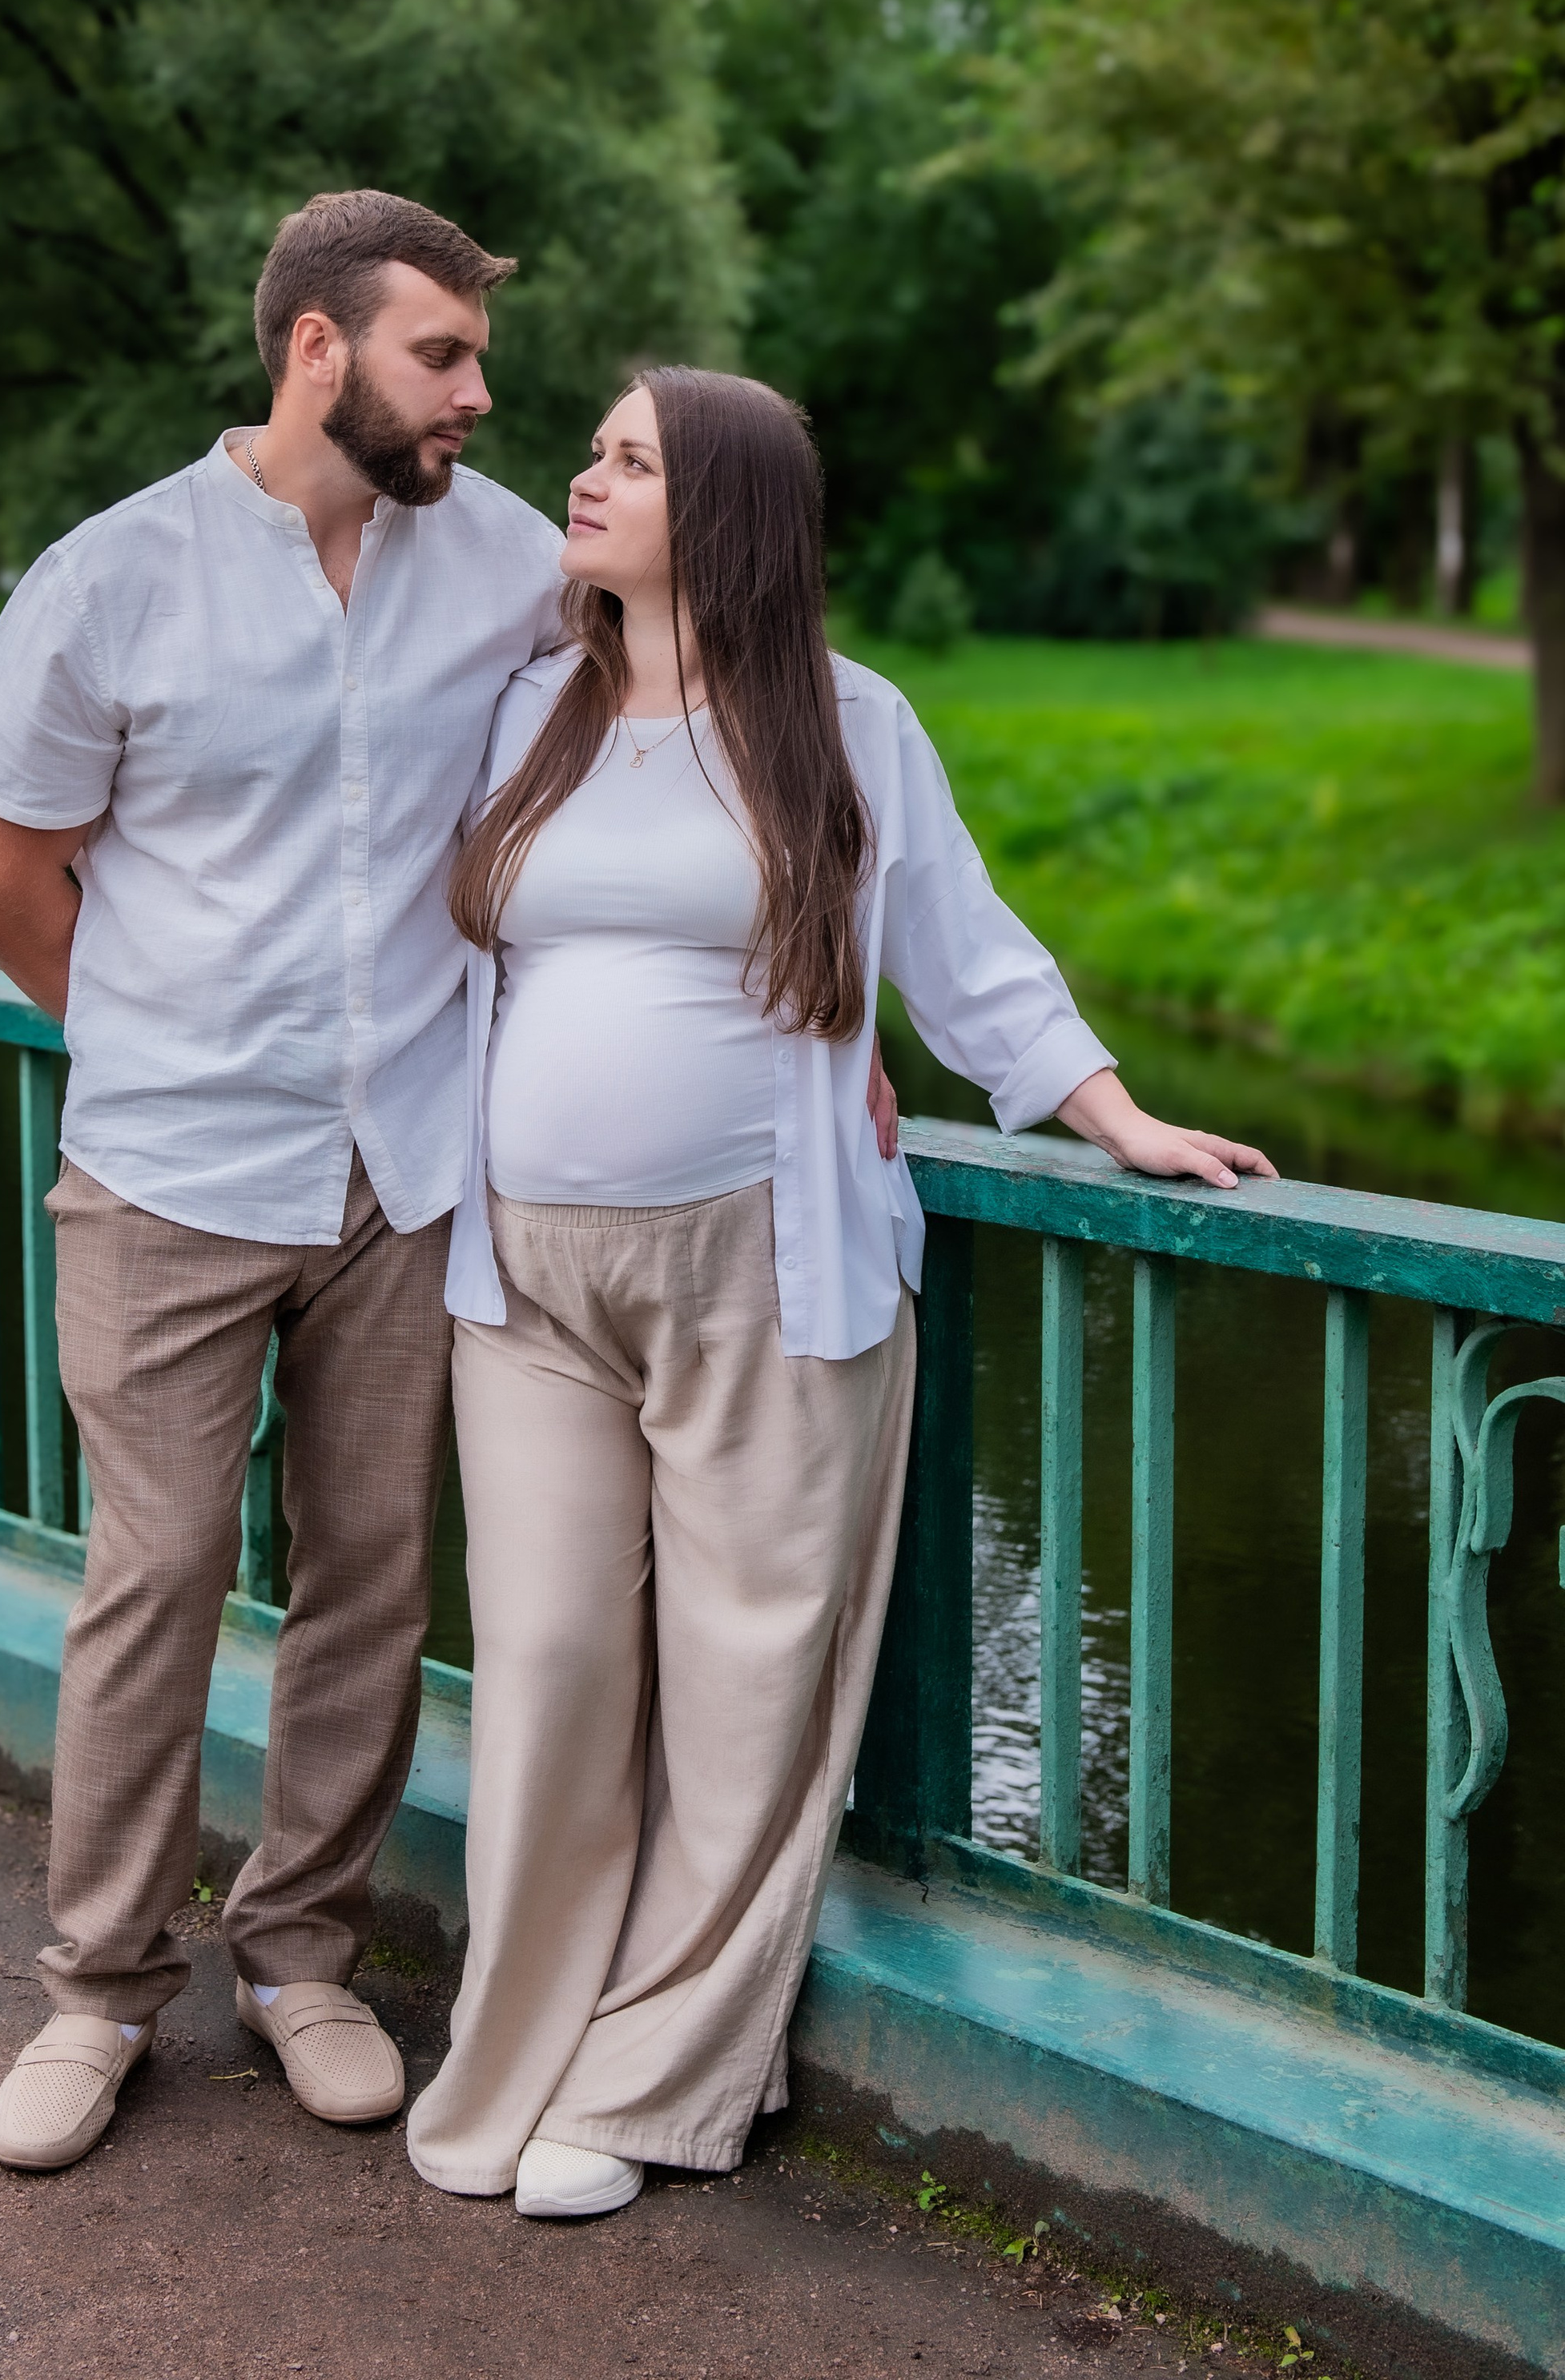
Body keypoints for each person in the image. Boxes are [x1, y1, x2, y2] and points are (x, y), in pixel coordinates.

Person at [405, 365, 1275, 2219]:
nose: (583, 473)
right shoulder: (519, 717)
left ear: (715, 509)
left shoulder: (845, 726)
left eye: (628, 459)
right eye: (593, 450)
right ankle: (515, 2052)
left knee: (742, 1680)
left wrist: (1112, 1114)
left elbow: (965, 958)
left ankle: (648, 2086)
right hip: (526, 1271)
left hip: (765, 1262)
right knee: (551, 1667)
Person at [0, 189, 569, 2172]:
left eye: (473, 356)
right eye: (441, 356)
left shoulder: (508, 562)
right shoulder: (106, 580)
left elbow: (689, 713)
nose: (477, 393)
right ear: (316, 349)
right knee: (154, 1579)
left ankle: (300, 1953)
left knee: (371, 1576)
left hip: (406, 1164)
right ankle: (96, 1989)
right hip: (167, 1169)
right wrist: (138, 1034)